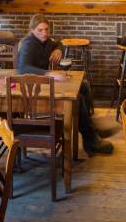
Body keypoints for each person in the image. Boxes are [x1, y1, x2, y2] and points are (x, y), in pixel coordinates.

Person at [17, 14, 113, 155]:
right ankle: (91, 140)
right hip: (34, 90)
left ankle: (91, 128)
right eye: (40, 30)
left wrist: (59, 49)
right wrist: (49, 74)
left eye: (46, 29)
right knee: (77, 99)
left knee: (84, 85)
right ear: (32, 31)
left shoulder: (46, 41)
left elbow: (57, 43)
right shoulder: (28, 43)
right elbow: (23, 68)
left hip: (44, 84)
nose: (44, 33)